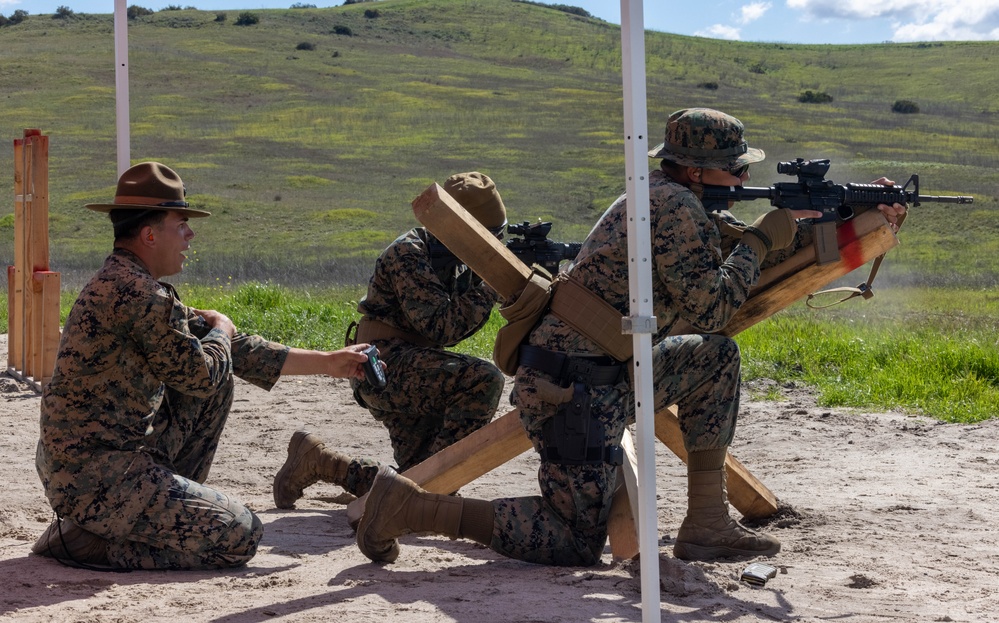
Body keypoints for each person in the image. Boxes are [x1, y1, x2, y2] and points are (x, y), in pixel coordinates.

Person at [352, 108, 907, 566]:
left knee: (714, 360)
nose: (741, 179)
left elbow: (756, 248)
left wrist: (849, 216)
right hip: (571, 385)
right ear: (696, 172)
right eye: (733, 169)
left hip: (609, 368)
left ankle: (707, 523)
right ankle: (412, 508)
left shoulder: (669, 199)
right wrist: (759, 242)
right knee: (573, 540)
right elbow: (712, 304)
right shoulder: (672, 208)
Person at [32, 161, 377, 571]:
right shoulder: (138, 294)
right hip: (96, 479)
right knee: (240, 535)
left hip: (99, 465)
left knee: (219, 382)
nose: (190, 235)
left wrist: (328, 363)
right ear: (148, 234)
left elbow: (233, 351)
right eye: (181, 224)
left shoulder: (128, 283)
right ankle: (93, 544)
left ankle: (150, 515)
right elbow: (203, 370)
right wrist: (220, 331)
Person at [272, 172, 507, 508]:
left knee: (415, 483)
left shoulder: (455, 262)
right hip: (383, 366)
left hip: (414, 364)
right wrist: (492, 286)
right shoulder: (409, 254)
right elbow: (443, 328)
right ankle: (436, 490)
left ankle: (321, 462)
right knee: (483, 381)